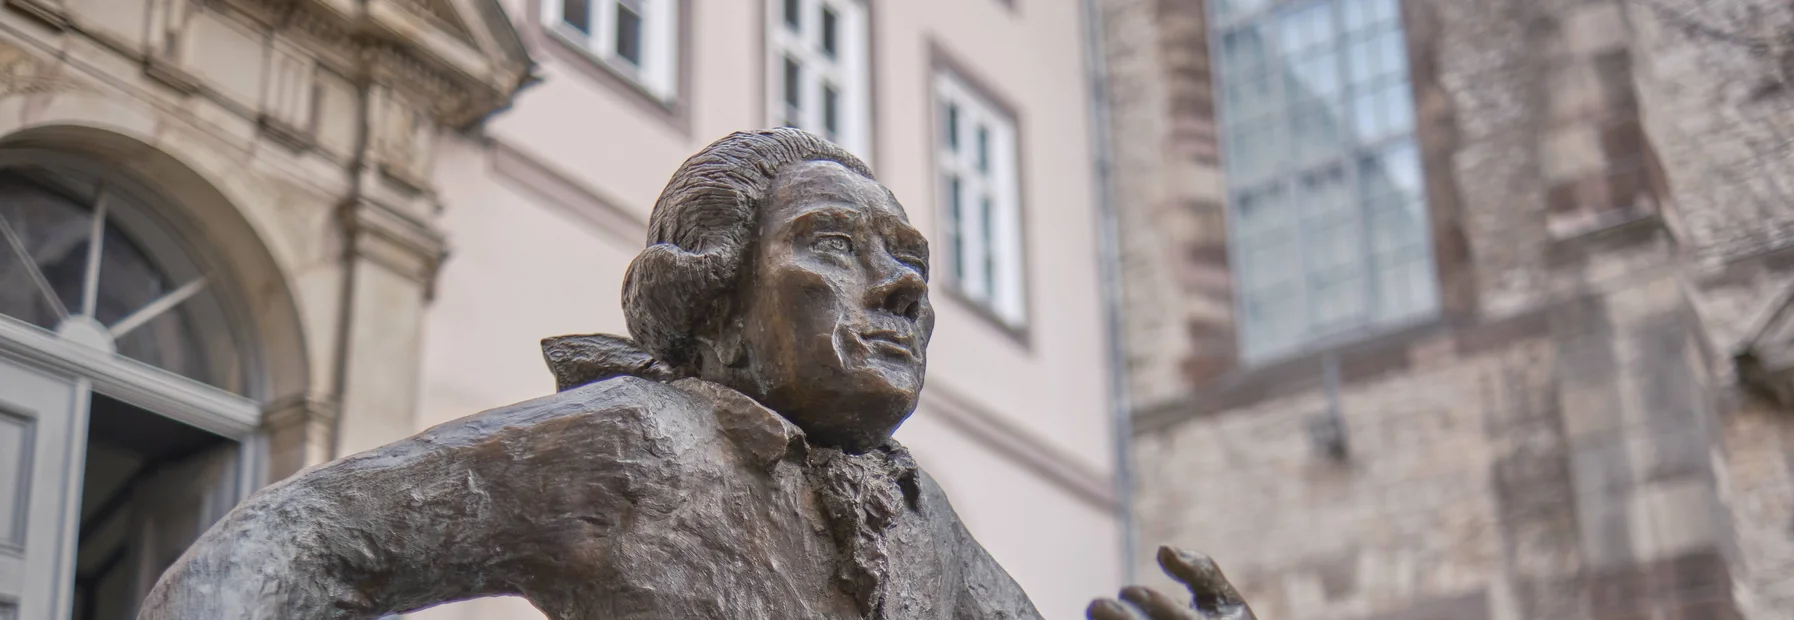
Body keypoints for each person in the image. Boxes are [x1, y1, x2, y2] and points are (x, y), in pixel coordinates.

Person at [138, 129, 1255, 620]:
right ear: (714, 298)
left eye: (912, 261)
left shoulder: (927, 526)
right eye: (832, 246)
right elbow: (292, 540)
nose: (905, 290)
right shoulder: (633, 446)